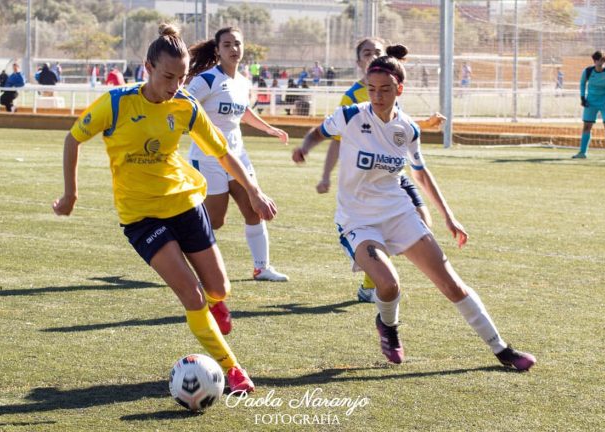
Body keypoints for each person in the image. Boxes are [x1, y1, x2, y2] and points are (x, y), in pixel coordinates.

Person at [52, 24, 275, 394]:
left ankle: (216, 306)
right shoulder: (116, 103)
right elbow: (73, 139)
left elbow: (222, 152)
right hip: (141, 217)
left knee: (219, 288)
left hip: (185, 204)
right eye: (167, 76)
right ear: (147, 67)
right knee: (192, 295)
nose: (174, 84)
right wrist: (70, 194)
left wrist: (253, 190)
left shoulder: (185, 106)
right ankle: (232, 369)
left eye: (181, 77)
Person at [291, 46, 536, 371]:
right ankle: (388, 327)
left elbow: (420, 173)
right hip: (357, 221)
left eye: (385, 90)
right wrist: (304, 149)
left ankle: (502, 350)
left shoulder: (407, 129)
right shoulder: (351, 115)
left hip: (399, 215)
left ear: (399, 90)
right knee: (389, 284)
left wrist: (449, 217)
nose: (377, 96)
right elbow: (318, 133)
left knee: (452, 284)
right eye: (372, 89)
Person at [315, 37, 434, 304]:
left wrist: (427, 123)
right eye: (366, 53)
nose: (372, 57)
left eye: (377, 52)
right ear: (359, 62)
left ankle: (379, 273)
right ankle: (372, 284)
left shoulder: (390, 85)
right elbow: (337, 139)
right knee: (379, 229)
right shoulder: (353, 98)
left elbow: (399, 129)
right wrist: (325, 176)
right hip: (368, 179)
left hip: (394, 174)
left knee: (425, 223)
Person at [187, 27, 290, 282]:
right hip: (208, 158)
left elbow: (243, 112)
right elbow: (184, 107)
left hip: (237, 156)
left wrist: (269, 129)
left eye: (238, 44)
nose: (234, 49)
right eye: (227, 44)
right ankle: (179, 251)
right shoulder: (206, 80)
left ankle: (261, 268)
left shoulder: (243, 81)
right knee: (216, 220)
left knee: (253, 209)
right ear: (217, 50)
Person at [573, 50, 605, 160]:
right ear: (594, 60)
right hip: (591, 102)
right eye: (598, 60)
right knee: (587, 127)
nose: (600, 63)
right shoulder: (588, 71)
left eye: (602, 61)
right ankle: (582, 152)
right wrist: (582, 97)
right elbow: (582, 84)